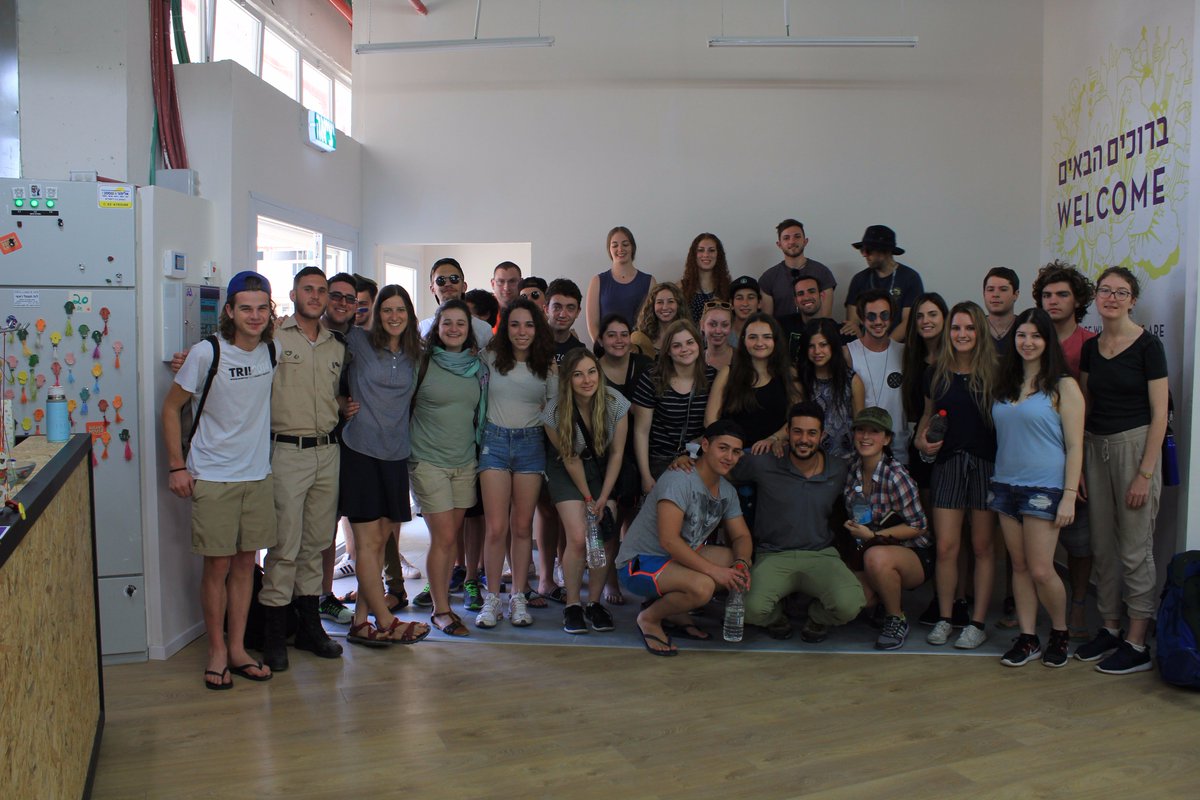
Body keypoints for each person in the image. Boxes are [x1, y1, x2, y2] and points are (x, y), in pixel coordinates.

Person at [161, 270, 278, 689]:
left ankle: (238, 648)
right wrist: (176, 466)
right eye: (246, 308)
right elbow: (171, 408)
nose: (254, 316)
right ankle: (216, 650)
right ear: (229, 310)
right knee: (217, 566)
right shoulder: (206, 353)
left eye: (262, 308)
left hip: (258, 475)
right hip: (213, 475)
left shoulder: (272, 350)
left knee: (247, 564)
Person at [1076, 267, 1168, 675]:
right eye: (1105, 290)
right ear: (1096, 297)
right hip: (1095, 449)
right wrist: (1078, 465)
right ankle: (1110, 628)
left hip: (1136, 448)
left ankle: (1137, 640)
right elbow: (1085, 407)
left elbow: (1160, 413)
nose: (1112, 298)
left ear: (1133, 300)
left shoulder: (1148, 345)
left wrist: (1145, 474)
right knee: (1103, 546)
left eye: (1121, 292)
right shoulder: (1091, 348)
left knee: (1134, 549)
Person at [258, 267, 346, 671]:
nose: (315, 296)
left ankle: (311, 629)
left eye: (322, 291)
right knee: (284, 547)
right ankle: (274, 637)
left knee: (316, 544)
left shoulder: (335, 345)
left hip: (327, 452)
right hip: (286, 452)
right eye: (308, 289)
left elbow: (336, 395)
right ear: (293, 294)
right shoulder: (273, 337)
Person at [338, 284, 432, 647]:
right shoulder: (358, 342)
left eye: (400, 310)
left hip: (395, 453)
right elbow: (324, 361)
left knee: (380, 543)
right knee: (367, 542)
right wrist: (339, 402)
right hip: (360, 451)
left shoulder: (415, 353)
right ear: (377, 314)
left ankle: (361, 621)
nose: (394, 316)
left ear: (409, 315)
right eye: (387, 310)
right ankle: (386, 619)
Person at [991, 309, 1084, 668]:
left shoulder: (1064, 386)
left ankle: (1059, 632)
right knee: (1018, 566)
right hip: (1004, 485)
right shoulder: (1006, 383)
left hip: (1044, 488)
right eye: (1021, 335)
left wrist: (1069, 495)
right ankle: (1028, 638)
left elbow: (1075, 445)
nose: (1027, 342)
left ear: (1048, 341)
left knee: (1042, 569)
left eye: (1035, 336)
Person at [616, 420, 754, 656]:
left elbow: (741, 535)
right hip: (638, 562)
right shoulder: (679, 478)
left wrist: (741, 562)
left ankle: (673, 610)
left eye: (736, 451)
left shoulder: (727, 490)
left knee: (735, 561)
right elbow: (668, 541)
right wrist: (715, 571)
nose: (729, 457)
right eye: (723, 448)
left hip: (673, 560)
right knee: (703, 587)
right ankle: (649, 618)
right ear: (705, 445)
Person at [732, 401, 866, 642]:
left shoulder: (839, 469)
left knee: (849, 605)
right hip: (774, 554)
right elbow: (723, 464)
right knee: (747, 609)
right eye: (797, 432)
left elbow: (867, 484)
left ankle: (816, 616)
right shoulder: (764, 462)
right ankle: (776, 616)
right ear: (787, 433)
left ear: (822, 435)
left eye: (812, 433)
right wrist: (686, 462)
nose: (804, 439)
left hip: (821, 554)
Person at [915, 301, 998, 649]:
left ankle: (977, 623)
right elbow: (927, 416)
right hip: (947, 465)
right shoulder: (936, 374)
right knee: (947, 546)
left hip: (986, 466)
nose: (962, 334)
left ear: (980, 332)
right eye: (956, 328)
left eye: (969, 328)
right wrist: (921, 440)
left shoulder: (996, 372)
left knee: (981, 547)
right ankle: (945, 618)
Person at [476, 298, 557, 628]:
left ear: (537, 329)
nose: (522, 331)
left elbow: (554, 411)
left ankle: (518, 597)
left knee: (522, 527)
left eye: (528, 325)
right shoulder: (489, 357)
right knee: (497, 528)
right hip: (494, 442)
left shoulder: (546, 365)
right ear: (505, 328)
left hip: (531, 444)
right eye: (514, 324)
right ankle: (492, 599)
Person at [409, 299, 487, 637]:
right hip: (428, 461)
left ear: (469, 330)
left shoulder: (477, 366)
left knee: (450, 538)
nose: (454, 329)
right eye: (447, 323)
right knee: (442, 537)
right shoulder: (421, 363)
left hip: (464, 462)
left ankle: (442, 601)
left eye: (460, 323)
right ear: (436, 328)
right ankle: (440, 609)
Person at [542, 348, 630, 634]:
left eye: (592, 372)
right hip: (566, 468)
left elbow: (617, 453)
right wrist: (590, 499)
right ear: (567, 379)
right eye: (578, 374)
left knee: (606, 534)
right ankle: (572, 605)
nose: (587, 380)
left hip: (603, 469)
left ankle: (594, 603)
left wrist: (604, 497)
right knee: (579, 537)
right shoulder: (554, 411)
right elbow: (570, 458)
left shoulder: (615, 402)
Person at [1032, 261, 1097, 638]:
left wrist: (1081, 467)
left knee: (1079, 539)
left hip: (1076, 451)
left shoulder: (1089, 344)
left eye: (1062, 295)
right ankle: (1023, 607)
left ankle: (1078, 604)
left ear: (1078, 300)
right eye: (1047, 295)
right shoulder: (1031, 339)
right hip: (1036, 456)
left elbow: (1091, 408)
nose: (1053, 301)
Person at [842, 407, 932, 650]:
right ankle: (882, 599)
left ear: (887, 439)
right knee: (850, 598)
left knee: (876, 556)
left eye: (874, 431)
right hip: (866, 550)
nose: (865, 436)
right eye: (861, 430)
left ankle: (896, 618)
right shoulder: (852, 468)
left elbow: (919, 526)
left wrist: (873, 535)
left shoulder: (896, 476)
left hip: (912, 553)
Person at [593, 313, 653, 601]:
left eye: (624, 334)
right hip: (605, 452)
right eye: (611, 335)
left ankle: (632, 573)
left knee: (634, 519)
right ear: (600, 340)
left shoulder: (644, 366)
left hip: (640, 448)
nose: (618, 340)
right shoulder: (593, 369)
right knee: (611, 523)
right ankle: (610, 582)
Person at [632, 319, 717, 492]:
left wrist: (693, 452)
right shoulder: (652, 378)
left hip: (697, 455)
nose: (685, 349)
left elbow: (716, 425)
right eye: (677, 346)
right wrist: (646, 476)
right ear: (668, 352)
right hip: (660, 459)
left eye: (690, 342)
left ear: (699, 345)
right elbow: (641, 431)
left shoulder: (712, 377)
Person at [705, 312, 797, 455]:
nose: (759, 343)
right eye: (753, 337)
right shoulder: (727, 373)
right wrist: (730, 449)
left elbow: (796, 418)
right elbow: (710, 420)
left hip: (772, 453)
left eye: (767, 337)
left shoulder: (789, 374)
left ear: (775, 340)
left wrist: (774, 438)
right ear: (744, 340)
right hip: (732, 454)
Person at [847, 289, 909, 465]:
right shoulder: (848, 353)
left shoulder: (904, 353)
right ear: (862, 319)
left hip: (898, 450)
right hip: (861, 449)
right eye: (871, 316)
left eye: (884, 315)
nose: (878, 322)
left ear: (892, 317)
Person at [841, 225, 923, 342]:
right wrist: (866, 347)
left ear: (886, 251)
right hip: (865, 347)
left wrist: (885, 347)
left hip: (900, 348)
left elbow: (908, 322)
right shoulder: (859, 279)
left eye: (868, 251)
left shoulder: (910, 278)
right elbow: (853, 323)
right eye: (862, 250)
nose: (864, 255)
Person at [798, 317, 864, 459]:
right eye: (811, 346)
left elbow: (860, 425)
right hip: (810, 459)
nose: (817, 351)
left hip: (847, 460)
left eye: (823, 345)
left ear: (833, 346)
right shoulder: (800, 381)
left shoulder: (852, 380)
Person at [758, 219, 836, 319]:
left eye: (797, 236)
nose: (792, 241)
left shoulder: (822, 272)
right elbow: (767, 321)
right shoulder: (768, 278)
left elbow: (826, 318)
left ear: (805, 241)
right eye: (786, 238)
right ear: (779, 244)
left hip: (816, 328)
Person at [586, 226, 653, 342]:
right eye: (615, 245)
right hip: (606, 349)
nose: (620, 249)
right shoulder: (597, 281)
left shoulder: (650, 281)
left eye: (625, 244)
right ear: (609, 249)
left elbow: (653, 323)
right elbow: (593, 325)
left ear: (632, 247)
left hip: (639, 348)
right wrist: (601, 347)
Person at [418, 257, 494, 347]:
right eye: (441, 280)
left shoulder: (484, 329)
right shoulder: (422, 328)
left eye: (454, 279)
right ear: (432, 289)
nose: (448, 284)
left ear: (464, 286)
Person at [680, 232, 732, 322]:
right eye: (701, 250)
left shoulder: (728, 288)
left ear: (718, 255)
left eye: (711, 250)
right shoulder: (681, 287)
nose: (706, 255)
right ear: (694, 255)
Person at [630, 281, 685, 357]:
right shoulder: (640, 336)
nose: (665, 307)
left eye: (671, 301)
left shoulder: (688, 335)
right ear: (652, 306)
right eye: (660, 302)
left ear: (678, 305)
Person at [983, 266, 1020, 357]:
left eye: (1003, 289)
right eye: (990, 289)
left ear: (1015, 295)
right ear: (984, 294)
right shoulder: (974, 327)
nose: (995, 295)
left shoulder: (1025, 327)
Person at [546, 278, 585, 361]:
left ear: (578, 312)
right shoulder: (531, 342)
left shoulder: (579, 350)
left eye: (570, 308)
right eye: (557, 307)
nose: (563, 315)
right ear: (546, 309)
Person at [700, 300, 735, 370]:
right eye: (712, 324)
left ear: (731, 327)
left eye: (724, 325)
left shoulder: (743, 359)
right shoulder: (695, 359)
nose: (718, 331)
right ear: (702, 325)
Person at [729, 275, 762, 340]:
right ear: (731, 304)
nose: (745, 303)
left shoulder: (769, 333)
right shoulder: (722, 333)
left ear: (759, 303)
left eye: (751, 298)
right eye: (739, 298)